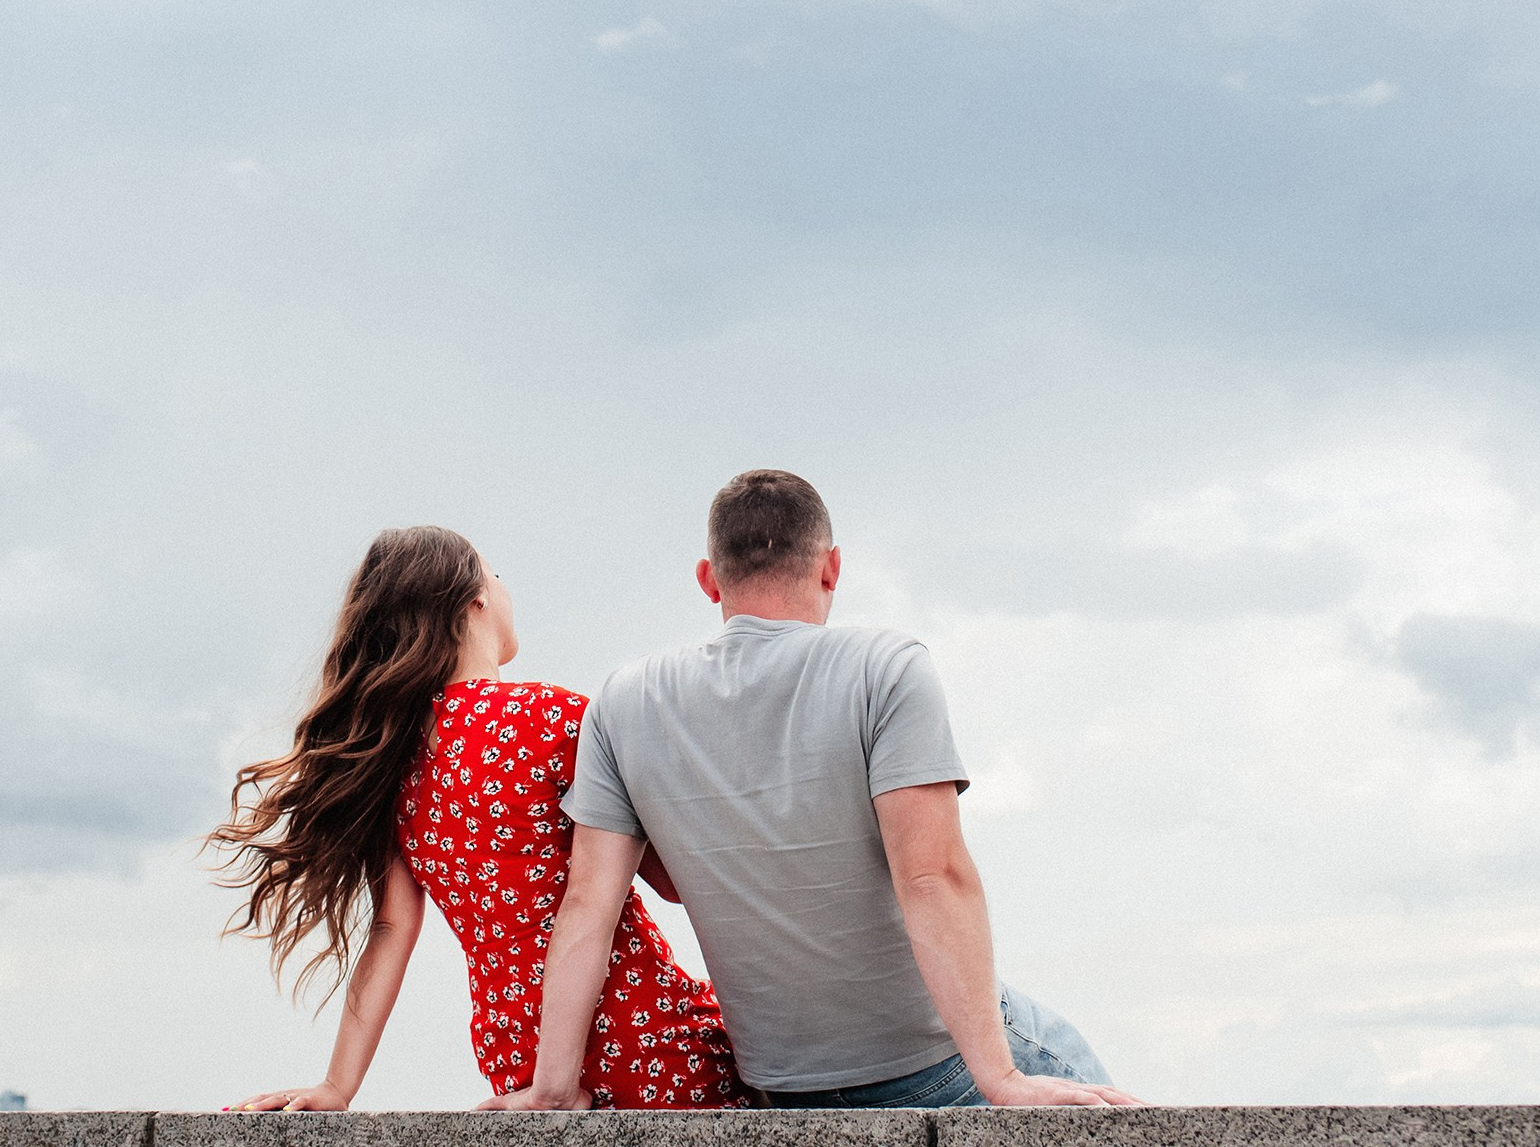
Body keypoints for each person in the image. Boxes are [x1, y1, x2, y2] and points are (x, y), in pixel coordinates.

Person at [484, 471, 1141, 1111]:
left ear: (709, 580)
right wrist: (998, 1075)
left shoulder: (624, 700)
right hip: (929, 1065)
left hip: (779, 1084)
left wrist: (551, 1087)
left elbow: (586, 908)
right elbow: (933, 875)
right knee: (1122, 1133)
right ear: (831, 568)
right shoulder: (885, 668)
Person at [209, 524, 742, 1111]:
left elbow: (389, 931)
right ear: (476, 598)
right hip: (645, 1040)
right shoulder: (556, 718)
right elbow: (673, 883)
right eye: (498, 575)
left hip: (519, 1062)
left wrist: (338, 1086)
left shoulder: (395, 764)